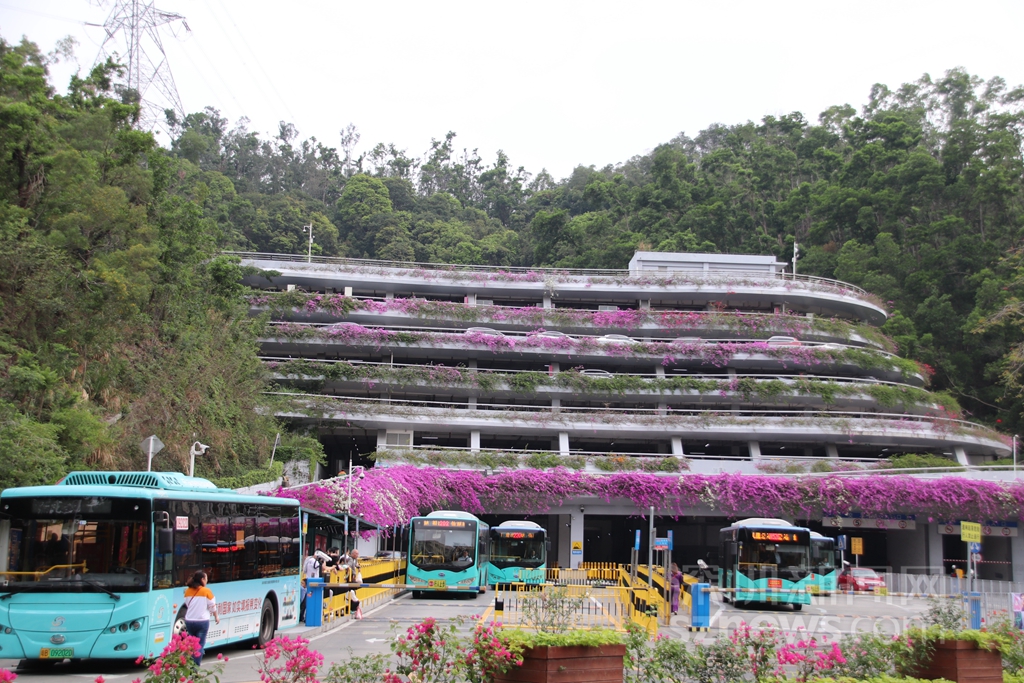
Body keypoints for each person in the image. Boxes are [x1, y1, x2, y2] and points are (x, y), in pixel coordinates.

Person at [183, 571, 220, 666]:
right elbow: (212, 606)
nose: (207, 580)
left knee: (192, 645)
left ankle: (190, 665)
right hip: (202, 622)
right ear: (202, 579)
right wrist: (216, 616)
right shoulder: (206, 591)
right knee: (199, 645)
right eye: (206, 578)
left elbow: (187, 604)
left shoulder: (187, 591)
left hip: (189, 621)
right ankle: (195, 668)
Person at [300, 549, 320, 622]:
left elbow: (304, 570)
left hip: (308, 581)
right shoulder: (314, 561)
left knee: (306, 600)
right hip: (314, 583)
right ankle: (306, 617)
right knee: (310, 601)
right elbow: (318, 566)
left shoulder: (308, 559)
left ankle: (302, 616)